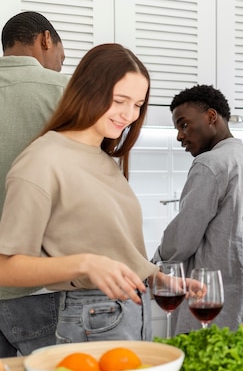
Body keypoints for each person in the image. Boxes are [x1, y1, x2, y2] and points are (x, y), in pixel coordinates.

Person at [0, 43, 157, 343]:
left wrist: (156, 278)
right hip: (94, 316)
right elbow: (4, 267)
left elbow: (113, 245)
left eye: (138, 104)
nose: (129, 115)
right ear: (88, 90)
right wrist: (84, 263)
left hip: (132, 310)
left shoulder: (102, 155)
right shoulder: (43, 159)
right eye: (120, 100)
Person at [152, 84, 243, 333]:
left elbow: (182, 239)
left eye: (183, 124)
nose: (180, 136)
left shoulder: (210, 163)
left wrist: (154, 265)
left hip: (209, 298)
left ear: (211, 117)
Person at [0, 11, 67, 356]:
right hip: (36, 284)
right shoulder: (65, 92)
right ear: (45, 40)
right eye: (60, 57)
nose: (58, 66)